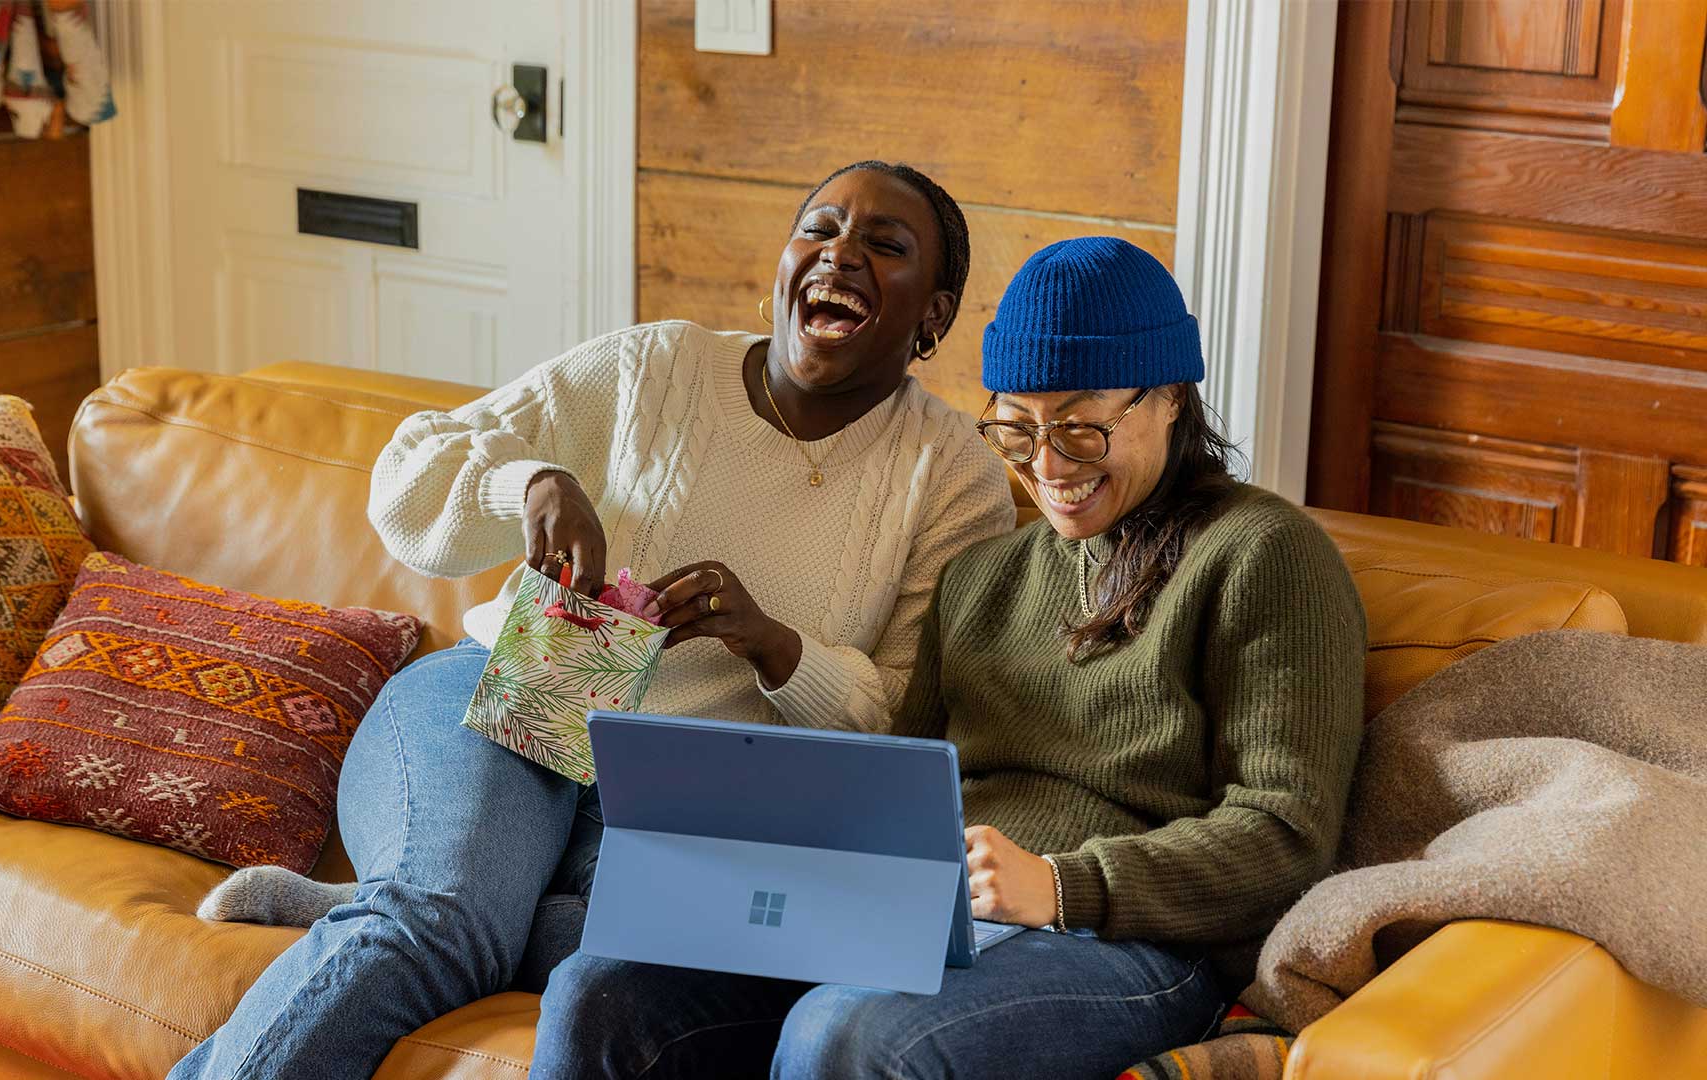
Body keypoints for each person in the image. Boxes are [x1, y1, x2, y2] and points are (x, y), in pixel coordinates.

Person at [165, 161, 1017, 1080]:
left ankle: (389, 896)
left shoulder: (953, 474)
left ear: (932, 314)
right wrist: (528, 482)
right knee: (439, 928)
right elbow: (407, 474)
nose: (840, 254)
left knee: (707, 943)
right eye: (819, 229)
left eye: (884, 246)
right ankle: (420, 900)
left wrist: (776, 646)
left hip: (688, 797)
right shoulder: (658, 368)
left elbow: (904, 716)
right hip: (511, 695)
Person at [529, 237, 1368, 1080]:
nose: (1046, 468)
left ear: (1171, 399)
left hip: (1130, 942)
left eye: (1080, 428)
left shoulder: (1265, 554)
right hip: (924, 914)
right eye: (1016, 428)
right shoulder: (979, 578)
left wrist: (1065, 885)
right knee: (598, 992)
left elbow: (1284, 833)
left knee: (845, 1034)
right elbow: (903, 780)